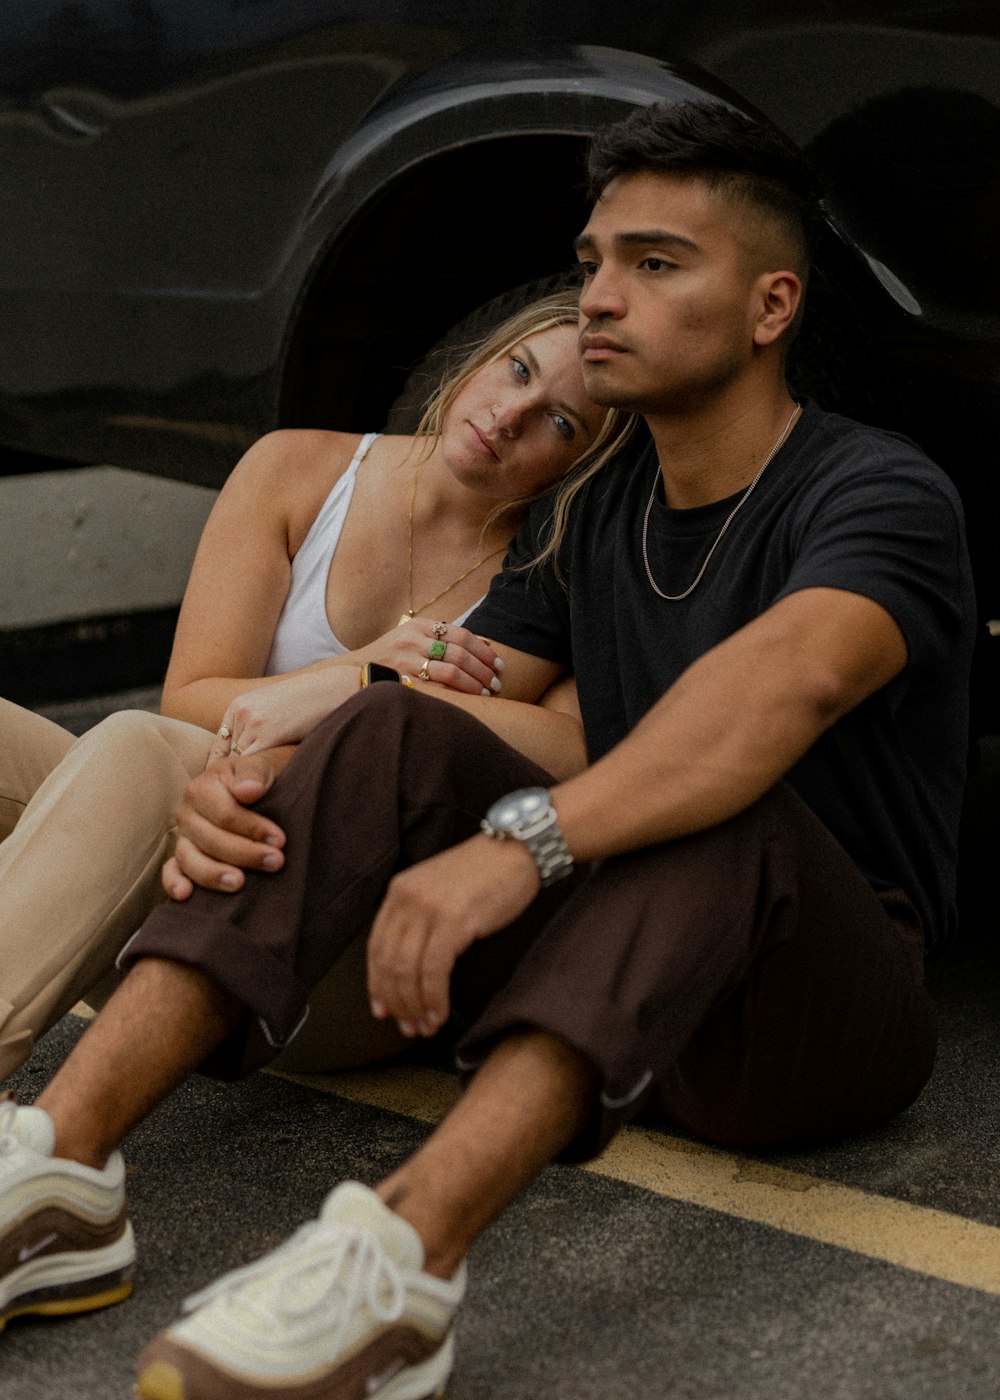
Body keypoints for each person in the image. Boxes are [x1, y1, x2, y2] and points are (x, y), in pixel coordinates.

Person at [0, 99, 974, 1400]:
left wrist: (527, 843)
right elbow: (427, 703)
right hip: (608, 983)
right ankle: (59, 1169)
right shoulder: (591, 517)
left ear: (771, 306)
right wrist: (251, 764)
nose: (601, 302)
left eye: (655, 264)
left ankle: (394, 1256)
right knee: (386, 732)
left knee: (727, 813)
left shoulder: (876, 493)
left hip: (804, 1015)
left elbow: (772, 697)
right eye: (592, 265)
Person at [0, 291, 630, 1082]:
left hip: (328, 957)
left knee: (134, 747)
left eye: (560, 422)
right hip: (187, 859)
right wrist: (357, 667)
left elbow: (575, 759)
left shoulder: (547, 586)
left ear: (584, 465)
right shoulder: (298, 468)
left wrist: (362, 692)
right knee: (118, 750)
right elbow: (190, 700)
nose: (510, 415)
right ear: (479, 358)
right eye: (516, 371)